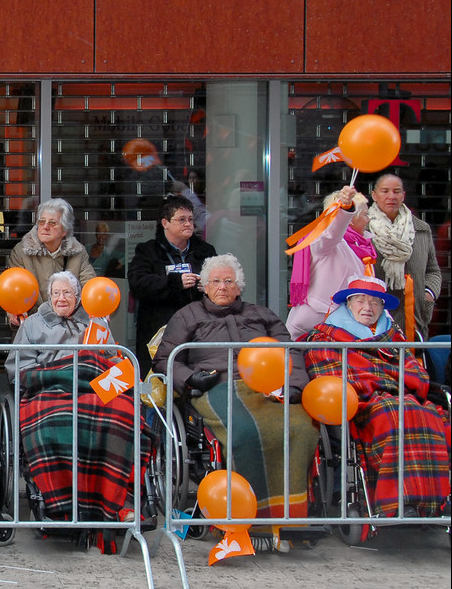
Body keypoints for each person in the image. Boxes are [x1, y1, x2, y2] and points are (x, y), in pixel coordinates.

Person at [154, 254, 317, 529]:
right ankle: (246, 516)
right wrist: (192, 378)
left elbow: (291, 354)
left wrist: (294, 387)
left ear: (239, 287)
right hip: (217, 385)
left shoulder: (262, 315)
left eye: (229, 281)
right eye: (215, 281)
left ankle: (291, 516)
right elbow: (164, 360)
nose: (222, 287)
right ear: (203, 286)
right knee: (243, 432)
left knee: (302, 427)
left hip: (267, 387)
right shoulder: (187, 315)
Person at [5, 272, 138, 541]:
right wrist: (60, 372)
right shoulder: (32, 324)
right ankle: (60, 506)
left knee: (120, 414)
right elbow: (18, 368)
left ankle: (118, 501)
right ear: (48, 296)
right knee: (56, 421)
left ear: (78, 297)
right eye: (56, 293)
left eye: (67, 293)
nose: (61, 298)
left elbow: (113, 361)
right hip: (49, 388)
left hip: (93, 387)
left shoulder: (96, 320)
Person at [302, 275, 450, 518]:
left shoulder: (394, 338)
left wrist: (393, 387)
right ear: (348, 304)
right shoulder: (324, 336)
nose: (367, 308)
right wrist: (382, 385)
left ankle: (430, 502)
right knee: (395, 412)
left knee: (429, 414)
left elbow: (419, 377)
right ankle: (400, 503)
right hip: (360, 405)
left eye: (375, 302)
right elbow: (327, 374)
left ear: (383, 308)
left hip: (401, 400)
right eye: (360, 300)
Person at [128, 195, 218, 376]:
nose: (188, 224)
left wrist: (208, 288)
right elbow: (138, 283)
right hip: (158, 330)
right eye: (181, 220)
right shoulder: (148, 250)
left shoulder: (205, 251)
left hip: (198, 330)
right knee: (159, 381)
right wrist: (176, 282)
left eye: (191, 220)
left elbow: (221, 281)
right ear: (165, 222)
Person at [285, 185, 376, 340]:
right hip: (312, 327)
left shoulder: (362, 247)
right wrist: (344, 209)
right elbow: (333, 230)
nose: (368, 220)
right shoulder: (325, 240)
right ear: (352, 218)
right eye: (365, 215)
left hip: (343, 328)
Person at [367, 173, 442, 339]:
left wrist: (427, 294)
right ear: (374, 195)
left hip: (412, 315)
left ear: (403, 195)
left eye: (396, 191)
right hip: (372, 317)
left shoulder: (421, 229)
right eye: (385, 191)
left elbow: (433, 270)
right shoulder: (362, 229)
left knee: (412, 363)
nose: (391, 196)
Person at [4, 198, 95, 327]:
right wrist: (13, 310)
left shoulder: (78, 252)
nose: (45, 227)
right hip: (34, 325)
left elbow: (88, 284)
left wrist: (96, 305)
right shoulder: (21, 251)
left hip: (68, 326)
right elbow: (12, 289)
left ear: (65, 230)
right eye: (42, 222)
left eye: (52, 223)